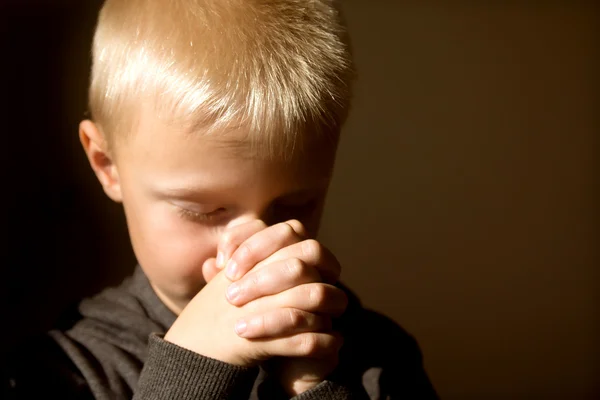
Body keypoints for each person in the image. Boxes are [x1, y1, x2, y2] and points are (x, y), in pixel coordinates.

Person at [3, 0, 438, 398]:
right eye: (204, 210)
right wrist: (192, 372)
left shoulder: (378, 360)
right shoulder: (61, 372)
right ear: (106, 164)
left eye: (294, 206)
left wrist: (315, 388)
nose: (248, 252)